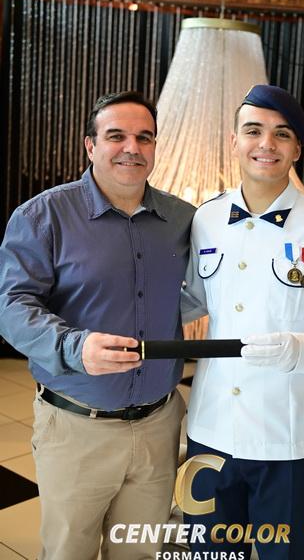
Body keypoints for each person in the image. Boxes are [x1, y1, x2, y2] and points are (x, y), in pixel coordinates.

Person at [0, 90, 195, 560]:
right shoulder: (43, 215)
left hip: (159, 425)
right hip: (76, 427)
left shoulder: (183, 220)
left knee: (139, 552)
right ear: (90, 146)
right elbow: (11, 305)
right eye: (116, 136)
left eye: (144, 137)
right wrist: (74, 346)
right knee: (69, 552)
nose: (132, 148)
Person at [181, 84, 304, 559]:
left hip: (292, 441)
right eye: (253, 131)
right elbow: (189, 301)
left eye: (281, 134)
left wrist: (301, 349)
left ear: (297, 149)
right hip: (212, 432)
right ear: (234, 141)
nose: (266, 143)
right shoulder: (205, 218)